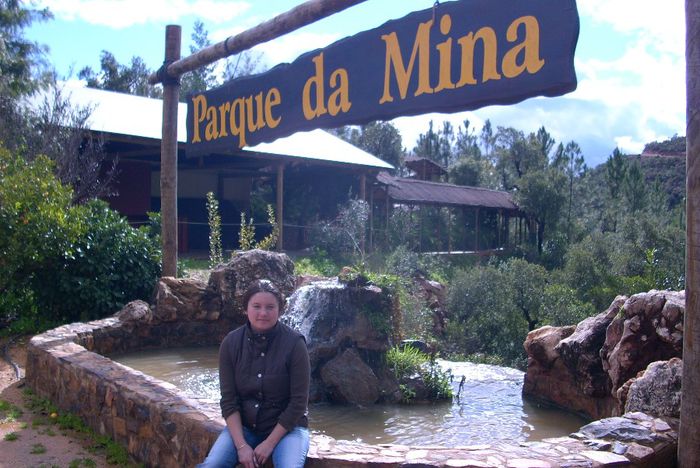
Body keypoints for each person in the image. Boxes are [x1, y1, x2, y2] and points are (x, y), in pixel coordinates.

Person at [198, 279, 310, 468]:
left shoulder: (295, 344)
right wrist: (241, 446)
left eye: (270, 307)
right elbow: (229, 400)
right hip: (245, 427)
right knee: (213, 465)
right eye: (256, 306)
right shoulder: (231, 344)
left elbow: (299, 403)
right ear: (246, 308)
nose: (263, 313)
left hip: (288, 429)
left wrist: (269, 443)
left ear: (280, 309)